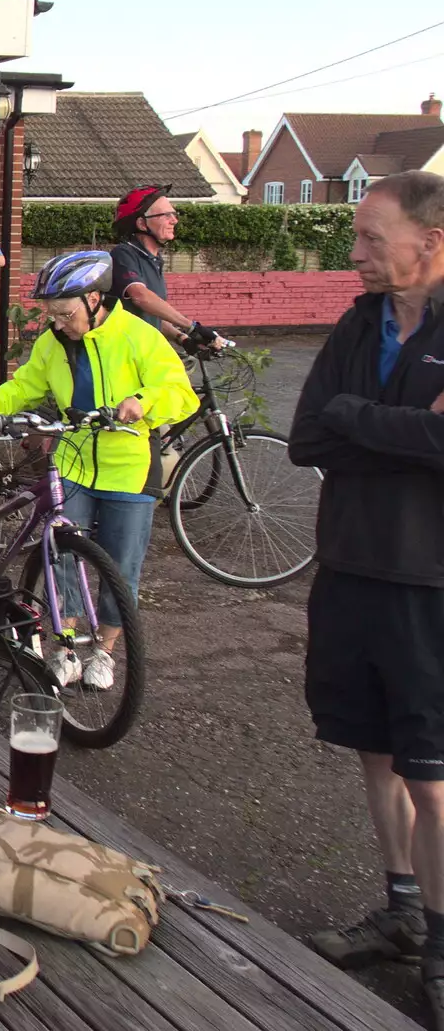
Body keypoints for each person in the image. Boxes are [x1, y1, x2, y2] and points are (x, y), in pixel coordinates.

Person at [287, 170, 444, 1027]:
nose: (354, 255)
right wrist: (407, 431)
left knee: (435, 773)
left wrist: (358, 419)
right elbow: (307, 434)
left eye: (370, 240)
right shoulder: (357, 323)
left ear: (430, 241)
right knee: (373, 751)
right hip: (348, 568)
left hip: (430, 582)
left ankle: (443, 946)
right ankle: (403, 907)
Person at [0, 250, 197, 690]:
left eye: (65, 313)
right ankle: (64, 647)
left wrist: (141, 403)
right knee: (60, 556)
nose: (59, 322)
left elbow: (179, 390)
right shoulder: (54, 342)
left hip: (129, 466)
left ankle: (102, 652)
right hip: (73, 462)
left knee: (120, 568)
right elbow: (26, 384)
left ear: (94, 300)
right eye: (52, 314)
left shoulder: (138, 337)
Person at [109, 184, 226, 349]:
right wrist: (192, 327)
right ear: (142, 224)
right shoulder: (123, 254)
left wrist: (182, 338)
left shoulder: (153, 259)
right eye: (166, 215)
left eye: (174, 214)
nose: (174, 220)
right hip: (125, 353)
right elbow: (141, 297)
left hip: (145, 353)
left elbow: (150, 314)